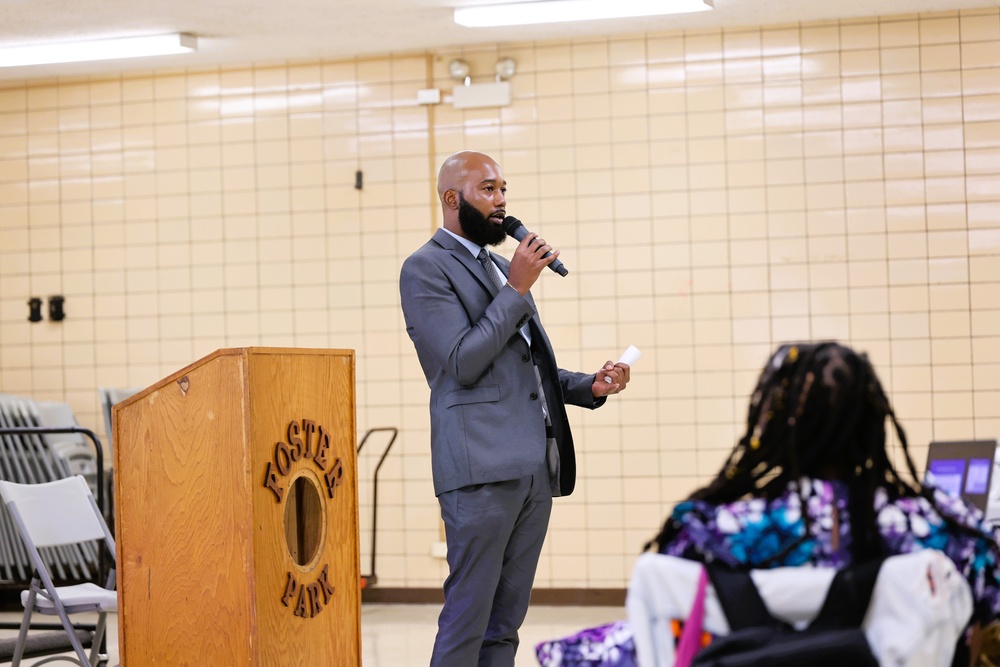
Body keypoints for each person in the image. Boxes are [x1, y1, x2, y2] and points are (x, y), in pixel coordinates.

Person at [537, 341, 1000, 667]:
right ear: (873, 421)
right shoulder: (938, 528)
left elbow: (664, 627)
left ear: (770, 424)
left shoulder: (713, 529)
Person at [399, 150, 632, 667]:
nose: (502, 200)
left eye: (504, 188)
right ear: (452, 199)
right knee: (468, 620)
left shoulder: (502, 267)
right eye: (488, 189)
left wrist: (587, 385)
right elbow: (461, 361)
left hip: (531, 467)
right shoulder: (425, 269)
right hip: (480, 469)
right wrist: (517, 289)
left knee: (505, 625)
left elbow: (522, 364)